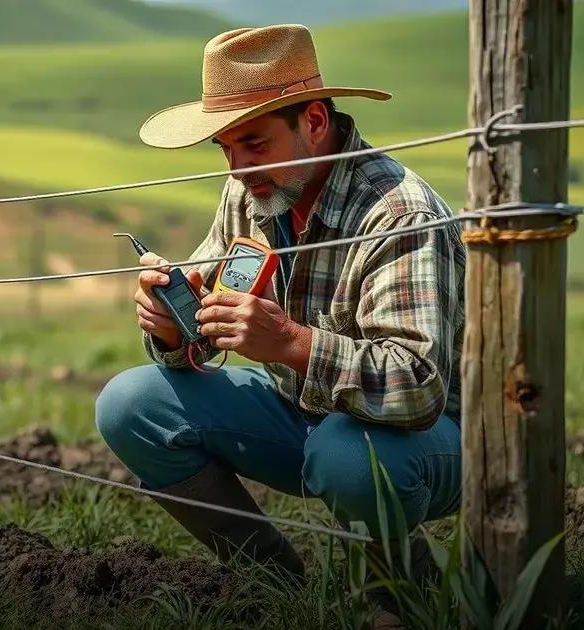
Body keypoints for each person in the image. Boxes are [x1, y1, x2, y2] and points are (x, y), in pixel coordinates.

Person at [95, 23, 465, 625]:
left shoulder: (400, 214)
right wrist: (172, 325)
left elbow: (417, 388)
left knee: (346, 454)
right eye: (226, 150)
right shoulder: (250, 189)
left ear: (314, 122)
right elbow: (211, 313)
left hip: (431, 438)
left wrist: (291, 344)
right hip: (304, 414)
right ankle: (277, 587)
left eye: (255, 144)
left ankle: (403, 598)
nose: (238, 168)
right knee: (130, 404)